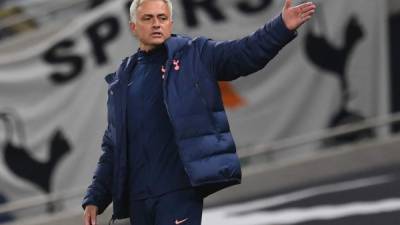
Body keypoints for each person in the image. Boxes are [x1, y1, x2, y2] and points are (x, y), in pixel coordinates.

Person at [82, 0, 316, 224]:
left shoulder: (196, 55)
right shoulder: (122, 80)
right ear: (134, 27)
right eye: (148, 18)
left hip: (178, 190)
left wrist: (280, 28)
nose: (156, 24)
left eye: (162, 18)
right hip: (138, 199)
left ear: (171, 24)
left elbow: (244, 54)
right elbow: (113, 146)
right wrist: (96, 198)